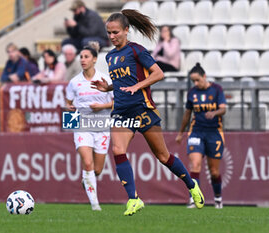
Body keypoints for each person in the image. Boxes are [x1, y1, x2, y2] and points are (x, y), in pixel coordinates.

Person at [91, 9, 204, 216]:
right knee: (117, 149)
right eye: (109, 33)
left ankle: (191, 185)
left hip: (143, 110)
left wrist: (138, 86)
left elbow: (158, 73)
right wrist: (106, 87)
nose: (112, 36)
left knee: (163, 156)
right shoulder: (110, 56)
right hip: (122, 112)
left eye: (116, 32)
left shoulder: (137, 50)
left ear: (126, 30)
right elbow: (121, 82)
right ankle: (134, 199)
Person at [66, 42, 113, 211]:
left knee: (97, 169)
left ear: (94, 59)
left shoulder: (105, 79)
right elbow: (68, 102)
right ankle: (95, 205)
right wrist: (69, 109)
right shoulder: (74, 82)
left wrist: (101, 107)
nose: (83, 60)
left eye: (86, 57)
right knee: (88, 163)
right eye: (81, 57)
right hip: (82, 126)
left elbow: (116, 103)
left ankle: (87, 179)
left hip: (102, 126)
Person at [175, 63, 227, 209]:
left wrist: (214, 113)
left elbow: (223, 110)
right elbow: (187, 114)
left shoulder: (217, 90)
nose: (196, 83)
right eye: (193, 81)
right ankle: (193, 198)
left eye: (197, 80)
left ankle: (217, 198)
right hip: (196, 131)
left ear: (204, 76)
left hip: (214, 133)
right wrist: (180, 133)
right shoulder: (192, 93)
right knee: (195, 165)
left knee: (214, 171)